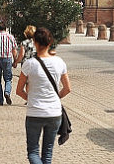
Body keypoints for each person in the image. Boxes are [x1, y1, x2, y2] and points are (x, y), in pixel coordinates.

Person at [16, 27, 71, 164]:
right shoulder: (59, 62)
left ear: (35, 43)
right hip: (54, 112)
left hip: (34, 112)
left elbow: (19, 90)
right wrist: (55, 98)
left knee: (33, 152)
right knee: (48, 153)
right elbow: (67, 88)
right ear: (50, 42)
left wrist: (31, 99)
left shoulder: (29, 64)